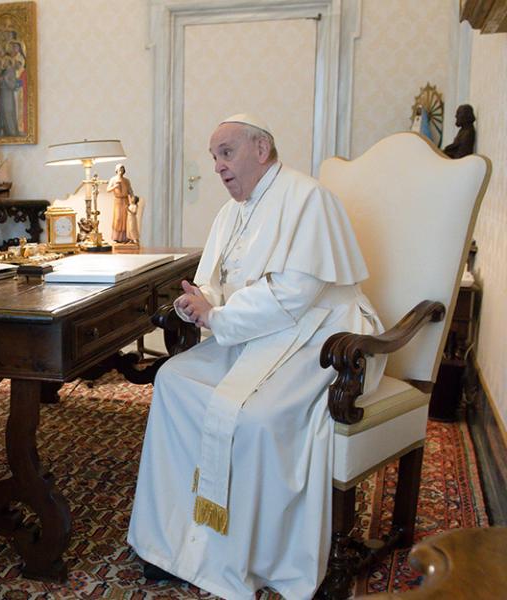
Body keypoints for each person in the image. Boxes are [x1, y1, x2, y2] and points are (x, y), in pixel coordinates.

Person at [127, 114, 385, 600]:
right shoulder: (232, 212)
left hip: (318, 335)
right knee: (173, 382)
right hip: (253, 334)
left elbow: (296, 293)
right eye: (214, 157)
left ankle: (251, 556)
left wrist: (217, 317)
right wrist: (196, 300)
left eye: (226, 152)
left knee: (259, 416)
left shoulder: (308, 198)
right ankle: (174, 540)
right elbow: (217, 281)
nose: (218, 167)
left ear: (261, 149)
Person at [107, 164, 134, 243]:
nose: (121, 171)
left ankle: (126, 237)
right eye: (120, 169)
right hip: (118, 201)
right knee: (118, 218)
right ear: (116, 170)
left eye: (122, 169)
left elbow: (130, 190)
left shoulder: (126, 180)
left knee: (125, 219)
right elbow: (108, 190)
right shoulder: (113, 179)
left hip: (125, 200)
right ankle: (116, 237)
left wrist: (132, 198)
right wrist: (114, 186)